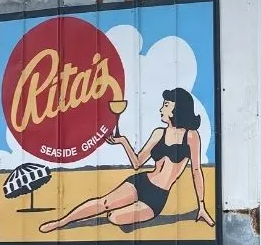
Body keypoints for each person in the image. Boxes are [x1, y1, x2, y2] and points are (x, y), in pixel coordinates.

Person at [38, 88, 214, 233]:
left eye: (166, 105)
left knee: (114, 217)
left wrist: (201, 206)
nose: (161, 109)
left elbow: (196, 170)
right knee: (104, 202)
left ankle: (126, 214)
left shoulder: (191, 136)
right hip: (142, 181)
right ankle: (61, 222)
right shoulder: (158, 133)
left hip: (157, 196)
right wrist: (123, 141)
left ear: (178, 109)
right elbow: (137, 163)